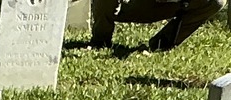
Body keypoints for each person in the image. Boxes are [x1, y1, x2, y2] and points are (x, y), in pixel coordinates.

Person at [92, 0, 226, 50]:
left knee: (216, 2)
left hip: (172, 5)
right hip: (130, 6)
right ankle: (101, 41)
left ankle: (163, 44)